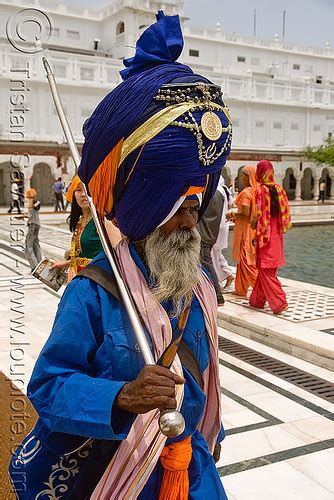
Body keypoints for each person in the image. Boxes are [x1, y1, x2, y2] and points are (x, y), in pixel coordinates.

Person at [9, 12, 232, 499]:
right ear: (144, 209)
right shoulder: (92, 293)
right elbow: (48, 387)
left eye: (194, 208)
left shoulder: (200, 290)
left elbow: (205, 383)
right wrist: (122, 396)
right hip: (118, 474)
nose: (188, 223)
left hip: (191, 472)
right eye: (175, 210)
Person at [249, 160, 291, 314]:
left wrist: (252, 227)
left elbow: (255, 217)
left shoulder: (260, 191)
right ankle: (257, 301)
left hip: (264, 237)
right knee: (267, 270)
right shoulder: (280, 190)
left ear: (260, 172)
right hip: (277, 237)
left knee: (266, 270)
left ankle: (280, 302)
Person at [51, 175, 104, 281]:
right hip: (82, 277)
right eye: (79, 190)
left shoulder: (101, 220)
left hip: (98, 280)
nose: (83, 194)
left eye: (87, 189)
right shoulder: (80, 221)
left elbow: (105, 257)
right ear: (73, 194)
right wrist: (70, 254)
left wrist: (67, 263)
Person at [229, 166, 258, 296]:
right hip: (252, 229)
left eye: (242, 176)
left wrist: (232, 215)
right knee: (245, 260)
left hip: (245, 231)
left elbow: (245, 213)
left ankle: (261, 288)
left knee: (246, 261)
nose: (241, 179)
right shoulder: (256, 191)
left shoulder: (247, 193)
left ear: (248, 177)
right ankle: (241, 289)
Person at [198, 188, 225, 306]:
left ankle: (218, 297)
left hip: (202, 234)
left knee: (207, 264)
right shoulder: (219, 194)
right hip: (211, 233)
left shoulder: (204, 192)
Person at [211, 175, 234, 289]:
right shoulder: (225, 190)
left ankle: (216, 282)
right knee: (217, 253)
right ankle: (227, 274)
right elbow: (231, 205)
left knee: (212, 255)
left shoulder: (216, 190)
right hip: (223, 224)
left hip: (215, 226)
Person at [24, 188, 42, 271]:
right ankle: (39, 264)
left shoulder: (36, 202)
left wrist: (31, 197)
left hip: (33, 226)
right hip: (35, 225)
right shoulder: (35, 203)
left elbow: (32, 207)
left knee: (28, 247)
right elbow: (31, 213)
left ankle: (35, 267)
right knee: (35, 245)